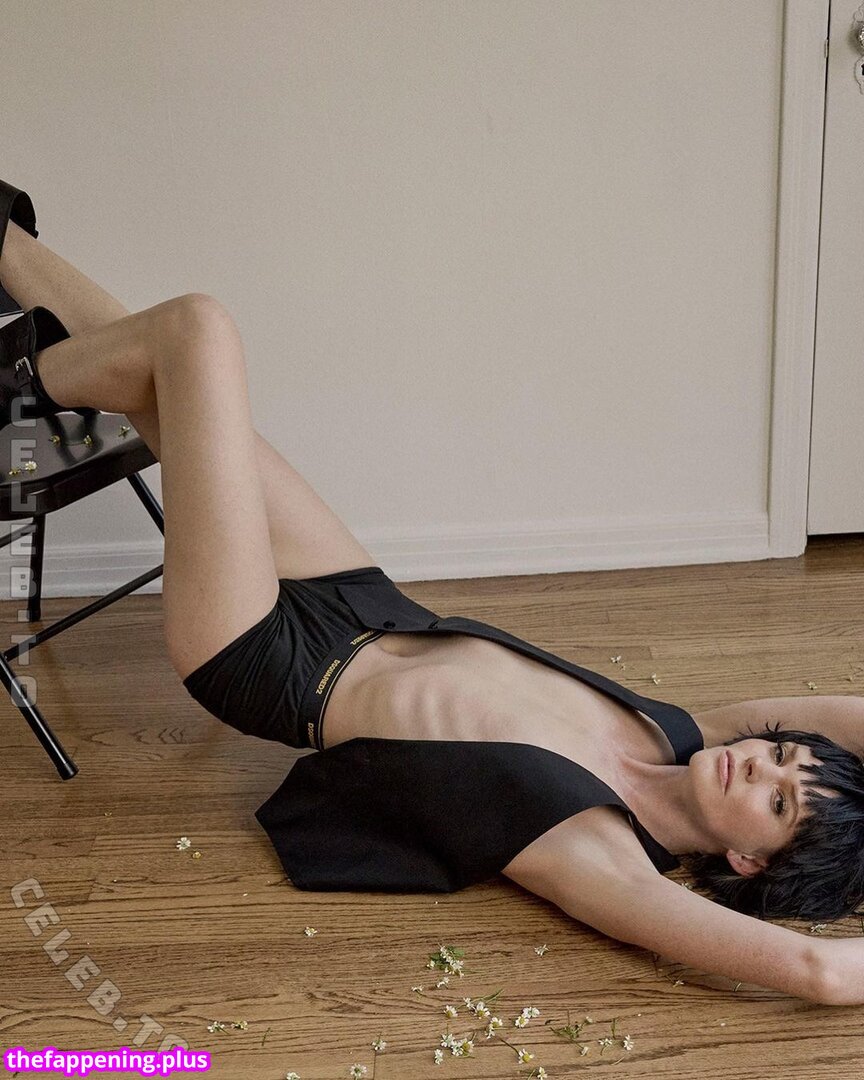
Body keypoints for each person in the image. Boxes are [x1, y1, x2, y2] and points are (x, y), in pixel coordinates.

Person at [2, 178, 864, 1008]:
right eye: (781, 756)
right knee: (160, 366)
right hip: (360, 599)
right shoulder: (681, 732)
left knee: (197, 332)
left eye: (776, 802)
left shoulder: (597, 853)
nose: (759, 765)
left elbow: (820, 973)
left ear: (751, 863)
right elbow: (842, 714)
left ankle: (8, 398)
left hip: (271, 660)